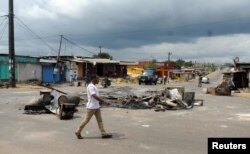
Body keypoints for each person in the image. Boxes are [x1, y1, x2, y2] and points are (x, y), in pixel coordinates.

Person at [75, 74, 112, 139]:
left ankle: (103, 133)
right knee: (86, 120)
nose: (98, 80)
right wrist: (104, 101)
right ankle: (78, 131)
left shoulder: (94, 86)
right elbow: (94, 96)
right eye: (97, 79)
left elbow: (96, 96)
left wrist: (100, 102)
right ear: (94, 79)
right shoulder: (90, 87)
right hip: (91, 107)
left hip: (96, 106)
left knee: (100, 120)